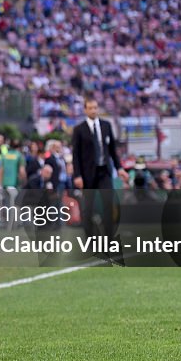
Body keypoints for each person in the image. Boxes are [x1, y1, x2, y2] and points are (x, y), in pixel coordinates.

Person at [71, 97, 128, 259]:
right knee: (87, 211)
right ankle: (90, 243)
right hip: (88, 175)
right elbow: (76, 155)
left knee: (109, 207)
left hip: (104, 173)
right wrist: (77, 175)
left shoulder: (106, 126)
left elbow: (112, 151)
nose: (93, 110)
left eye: (96, 107)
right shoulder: (79, 130)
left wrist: (120, 168)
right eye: (90, 108)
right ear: (85, 110)